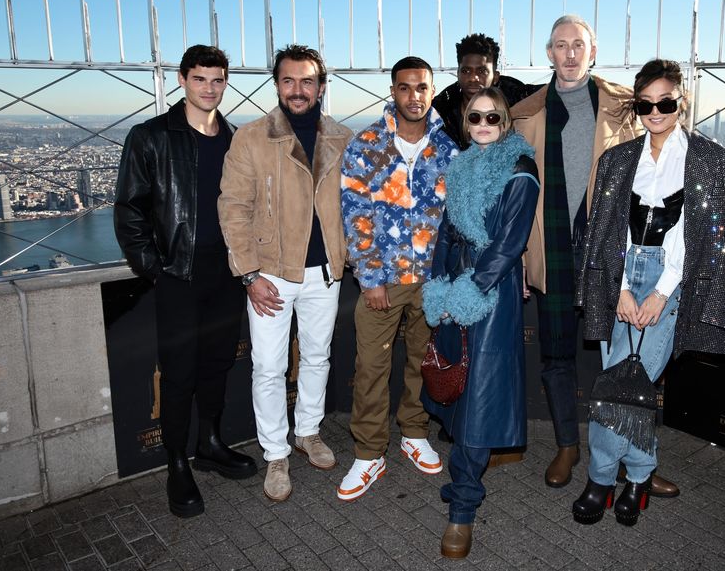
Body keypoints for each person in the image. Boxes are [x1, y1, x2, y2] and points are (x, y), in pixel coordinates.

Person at [511, 15, 681, 493]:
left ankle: (633, 461)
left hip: (614, 255)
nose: (569, 54)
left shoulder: (624, 106)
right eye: (560, 45)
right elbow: (516, 195)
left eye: (577, 45)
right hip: (553, 250)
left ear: (593, 52)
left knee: (633, 363)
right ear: (549, 53)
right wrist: (523, 256)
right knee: (558, 357)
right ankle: (568, 446)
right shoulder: (525, 115)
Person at [574, 58, 725, 526]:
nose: (655, 112)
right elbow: (605, 233)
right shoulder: (618, 160)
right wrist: (624, 288)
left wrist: (661, 293)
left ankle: (616, 478)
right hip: (620, 280)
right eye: (646, 103)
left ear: (681, 102)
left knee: (633, 386)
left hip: (673, 284)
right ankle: (623, 477)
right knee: (617, 385)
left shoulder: (712, 162)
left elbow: (707, 240)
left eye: (665, 102)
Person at [114, 44, 257, 518]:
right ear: (181, 80)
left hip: (227, 275)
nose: (209, 88)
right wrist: (156, 269)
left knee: (217, 366)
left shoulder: (235, 139)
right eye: (200, 79)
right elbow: (129, 210)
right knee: (179, 376)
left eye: (217, 80)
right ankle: (177, 465)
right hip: (178, 276)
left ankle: (210, 444)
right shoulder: (151, 136)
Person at [218, 45, 353, 502]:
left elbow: (354, 207)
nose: (298, 90)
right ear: (277, 84)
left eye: (307, 81)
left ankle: (308, 432)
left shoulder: (341, 137)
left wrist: (346, 256)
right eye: (289, 81)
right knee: (270, 367)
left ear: (320, 86)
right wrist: (249, 275)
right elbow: (234, 208)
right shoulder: (252, 138)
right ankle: (275, 453)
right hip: (272, 273)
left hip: (325, 273)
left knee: (318, 357)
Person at [422, 87, 539, 558]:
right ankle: (466, 476)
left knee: (480, 397)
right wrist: (440, 289)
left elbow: (508, 246)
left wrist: (470, 292)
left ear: (506, 120)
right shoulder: (463, 165)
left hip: (492, 291)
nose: (485, 122)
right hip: (455, 285)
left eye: (494, 115)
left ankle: (463, 509)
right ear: (466, 123)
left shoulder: (520, 169)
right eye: (476, 116)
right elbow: (447, 234)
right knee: (457, 384)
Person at [338, 56, 457, 501]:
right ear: (393, 91)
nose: (414, 96)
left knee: (420, 364)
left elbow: (456, 219)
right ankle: (369, 453)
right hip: (382, 281)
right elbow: (355, 215)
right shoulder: (366, 144)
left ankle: (413, 431)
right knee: (370, 367)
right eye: (405, 88)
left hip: (430, 279)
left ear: (431, 90)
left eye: (422, 87)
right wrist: (369, 278)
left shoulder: (449, 149)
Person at [432, 33, 541, 149]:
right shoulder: (444, 106)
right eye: (466, 71)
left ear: (495, 77)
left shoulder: (510, 92)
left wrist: (508, 115)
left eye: (482, 71)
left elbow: (552, 88)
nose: (473, 78)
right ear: (458, 74)